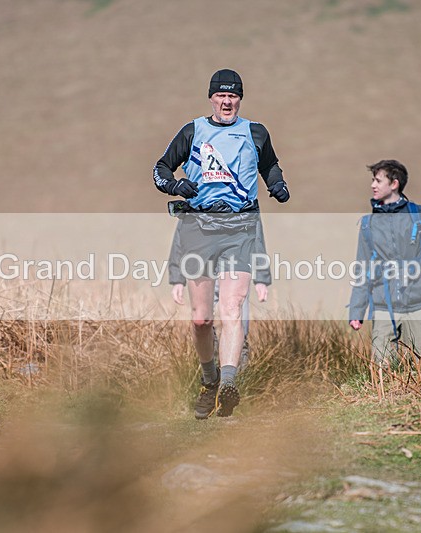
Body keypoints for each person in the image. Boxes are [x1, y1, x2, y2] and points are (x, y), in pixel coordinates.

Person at [154, 68, 289, 419]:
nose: (227, 101)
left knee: (232, 308)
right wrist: (175, 186)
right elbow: (161, 168)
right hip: (199, 229)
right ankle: (210, 379)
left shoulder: (255, 133)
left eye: (233, 96)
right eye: (221, 96)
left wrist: (277, 184)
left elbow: (270, 164)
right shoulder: (193, 131)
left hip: (239, 228)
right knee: (201, 319)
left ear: (240, 99)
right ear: (212, 98)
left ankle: (229, 383)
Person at [348, 160, 421, 368]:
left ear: (394, 184)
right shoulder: (368, 224)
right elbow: (363, 269)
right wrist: (357, 311)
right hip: (384, 306)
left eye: (378, 180)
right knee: (382, 371)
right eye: (373, 180)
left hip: (419, 303)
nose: (373, 185)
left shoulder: (420, 216)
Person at [168, 216, 272, 372]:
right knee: (204, 322)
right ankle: (211, 373)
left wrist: (261, 278)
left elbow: (256, 238)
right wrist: (177, 278)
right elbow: (182, 239)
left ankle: (236, 378)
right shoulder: (198, 198)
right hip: (204, 268)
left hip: (235, 267)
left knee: (236, 320)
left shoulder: (243, 198)